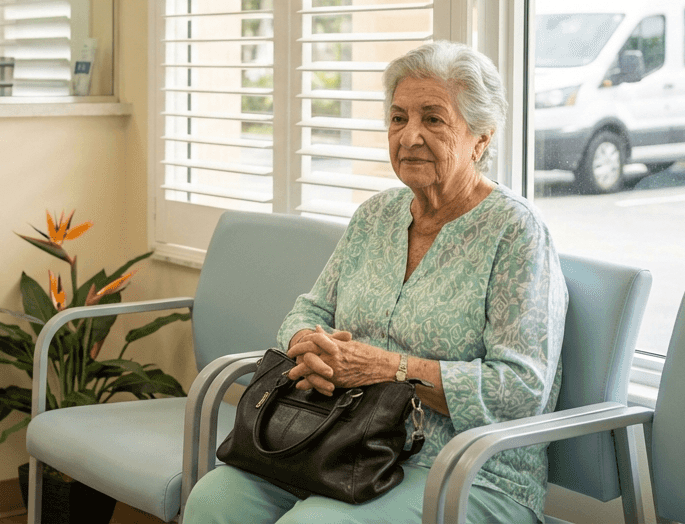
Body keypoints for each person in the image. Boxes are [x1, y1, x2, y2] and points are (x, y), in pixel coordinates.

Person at [183, 41, 568, 524]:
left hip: (462, 467)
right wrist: (310, 346)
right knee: (213, 502)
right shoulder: (375, 216)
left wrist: (389, 368)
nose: (409, 137)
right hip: (339, 443)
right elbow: (309, 311)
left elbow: (521, 388)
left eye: (433, 119)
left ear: (481, 138)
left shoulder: (516, 233)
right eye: (398, 118)